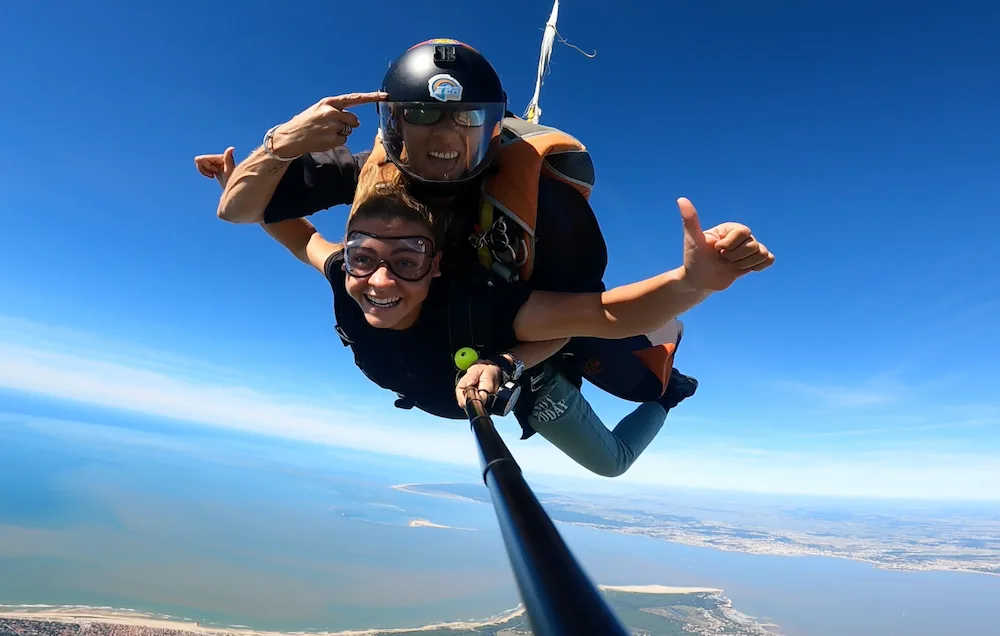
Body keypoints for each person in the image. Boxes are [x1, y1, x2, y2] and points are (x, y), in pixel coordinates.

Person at [211, 38, 709, 442]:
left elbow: (587, 316)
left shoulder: (548, 209)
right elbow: (244, 211)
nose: (444, 142)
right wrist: (281, 146)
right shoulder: (368, 178)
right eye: (424, 117)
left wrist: (507, 362)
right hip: (465, 343)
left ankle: (671, 356)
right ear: (395, 126)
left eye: (465, 119)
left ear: (492, 131)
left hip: (518, 338)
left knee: (630, 407)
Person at [202, 139, 774, 475]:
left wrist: (694, 282)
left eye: (407, 260)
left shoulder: (478, 306)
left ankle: (669, 391)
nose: (379, 279)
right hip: (454, 382)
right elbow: (300, 237)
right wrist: (240, 180)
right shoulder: (344, 276)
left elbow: (604, 316)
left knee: (612, 462)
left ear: (437, 266)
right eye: (362, 257)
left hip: (530, 374)